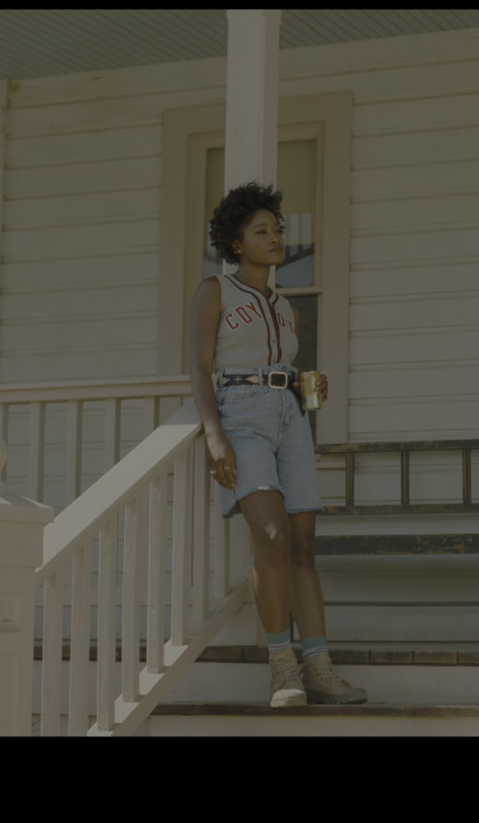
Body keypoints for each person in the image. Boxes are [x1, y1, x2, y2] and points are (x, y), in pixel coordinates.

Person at [188, 181, 366, 707]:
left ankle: (320, 670)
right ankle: (282, 669)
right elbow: (200, 368)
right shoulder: (215, 290)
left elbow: (279, 369)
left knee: (303, 546)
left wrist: (305, 386)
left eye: (278, 228)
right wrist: (214, 434)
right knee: (270, 535)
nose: (275, 236)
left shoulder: (284, 306)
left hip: (289, 417)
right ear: (236, 243)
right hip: (240, 417)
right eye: (261, 230)